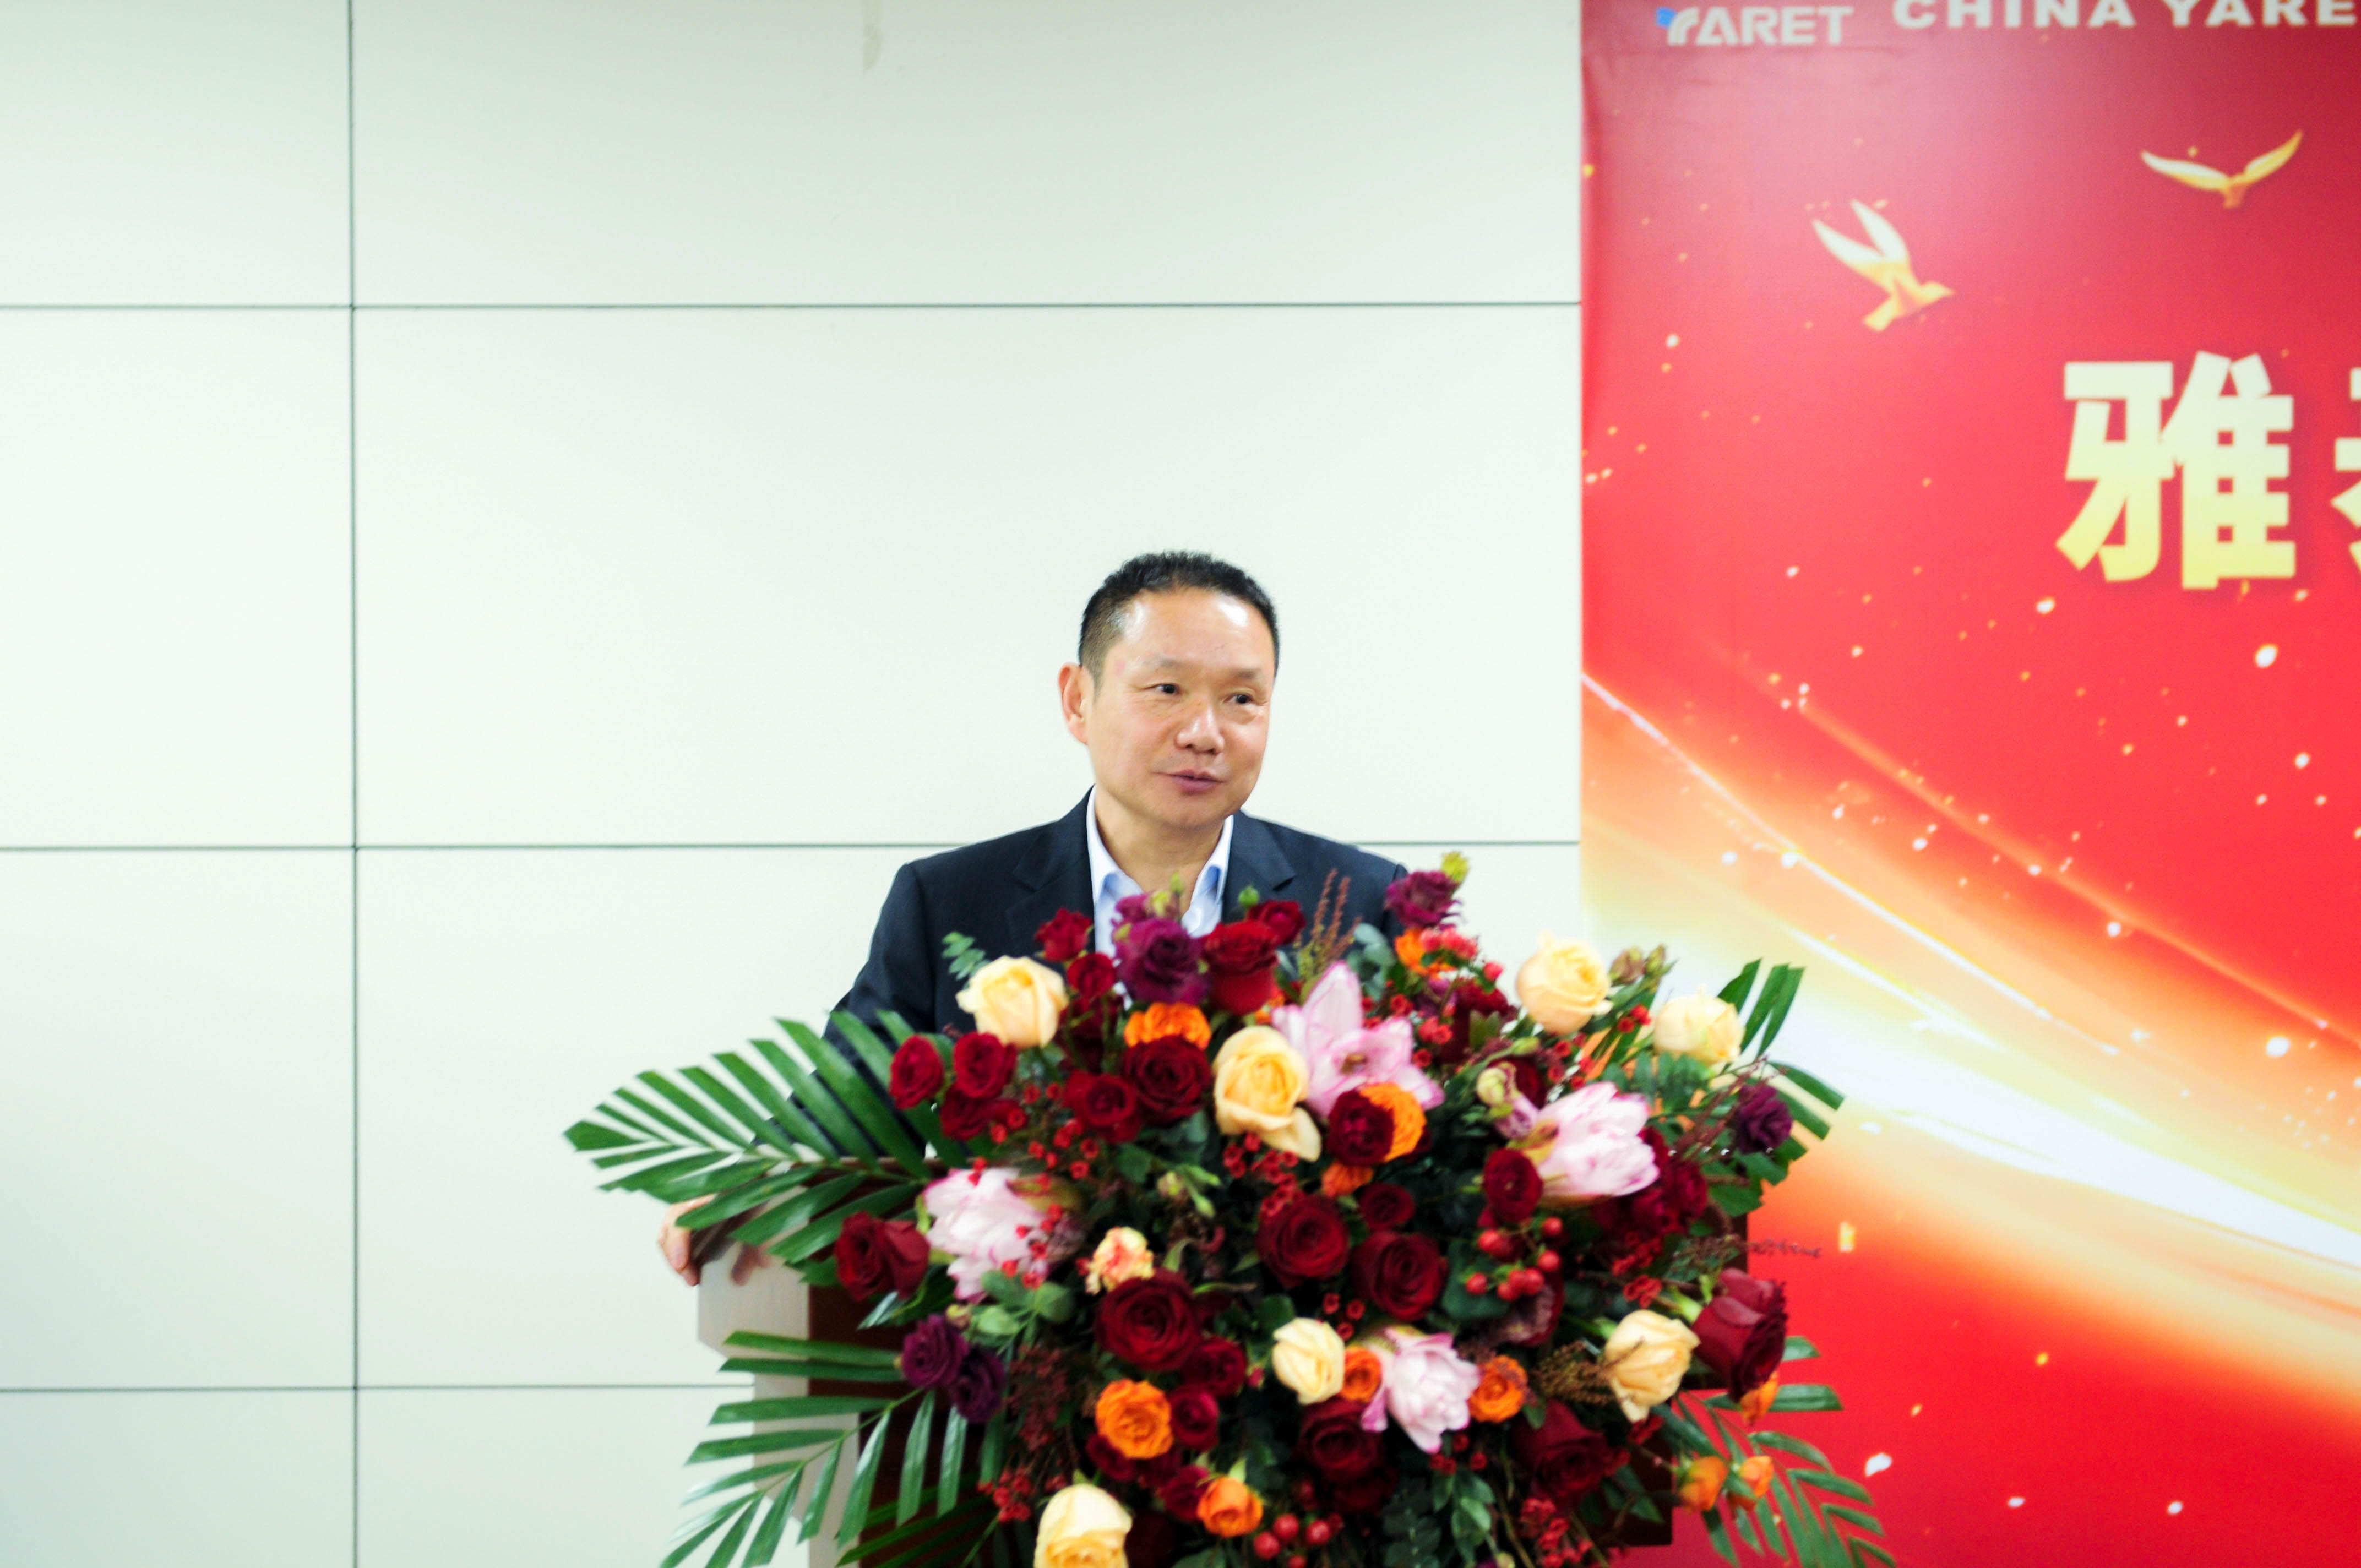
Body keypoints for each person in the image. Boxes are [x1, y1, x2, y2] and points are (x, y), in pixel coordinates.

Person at [661, 551, 1403, 1283]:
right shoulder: (950, 902)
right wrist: (749, 1187)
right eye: (1167, 689)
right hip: (1019, 1330)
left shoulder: (1361, 902)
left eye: (1242, 699)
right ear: (1078, 701)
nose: (1204, 732)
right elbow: (850, 1106)